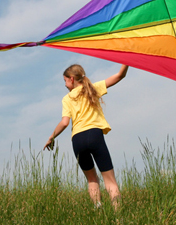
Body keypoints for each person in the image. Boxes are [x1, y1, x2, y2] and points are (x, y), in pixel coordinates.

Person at [44, 63, 129, 209]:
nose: (64, 84)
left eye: (65, 81)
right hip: (94, 135)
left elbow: (65, 123)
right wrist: (126, 61)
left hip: (77, 139)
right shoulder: (92, 88)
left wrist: (51, 137)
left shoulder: (67, 99)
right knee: (110, 181)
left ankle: (98, 210)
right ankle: (118, 217)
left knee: (91, 180)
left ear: (71, 79)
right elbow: (119, 75)